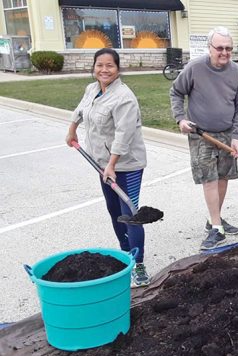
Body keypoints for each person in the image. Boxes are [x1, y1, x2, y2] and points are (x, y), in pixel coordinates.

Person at [65, 48, 150, 287]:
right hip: (103, 164)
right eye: (99, 65)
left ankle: (139, 263)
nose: (104, 70)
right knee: (114, 210)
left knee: (130, 214)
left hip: (126, 165)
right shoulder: (92, 89)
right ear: (94, 67)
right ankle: (126, 254)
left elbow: (123, 135)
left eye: (109, 65)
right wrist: (72, 129)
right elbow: (81, 109)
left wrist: (112, 165)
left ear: (118, 68)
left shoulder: (124, 97)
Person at [170, 26, 238, 251]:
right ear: (210, 48)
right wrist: (180, 119)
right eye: (220, 48)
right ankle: (216, 227)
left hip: (226, 134)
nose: (224, 52)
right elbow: (176, 92)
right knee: (209, 178)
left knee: (223, 177)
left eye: (229, 49)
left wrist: (236, 137)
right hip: (200, 133)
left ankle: (214, 219)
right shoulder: (194, 68)